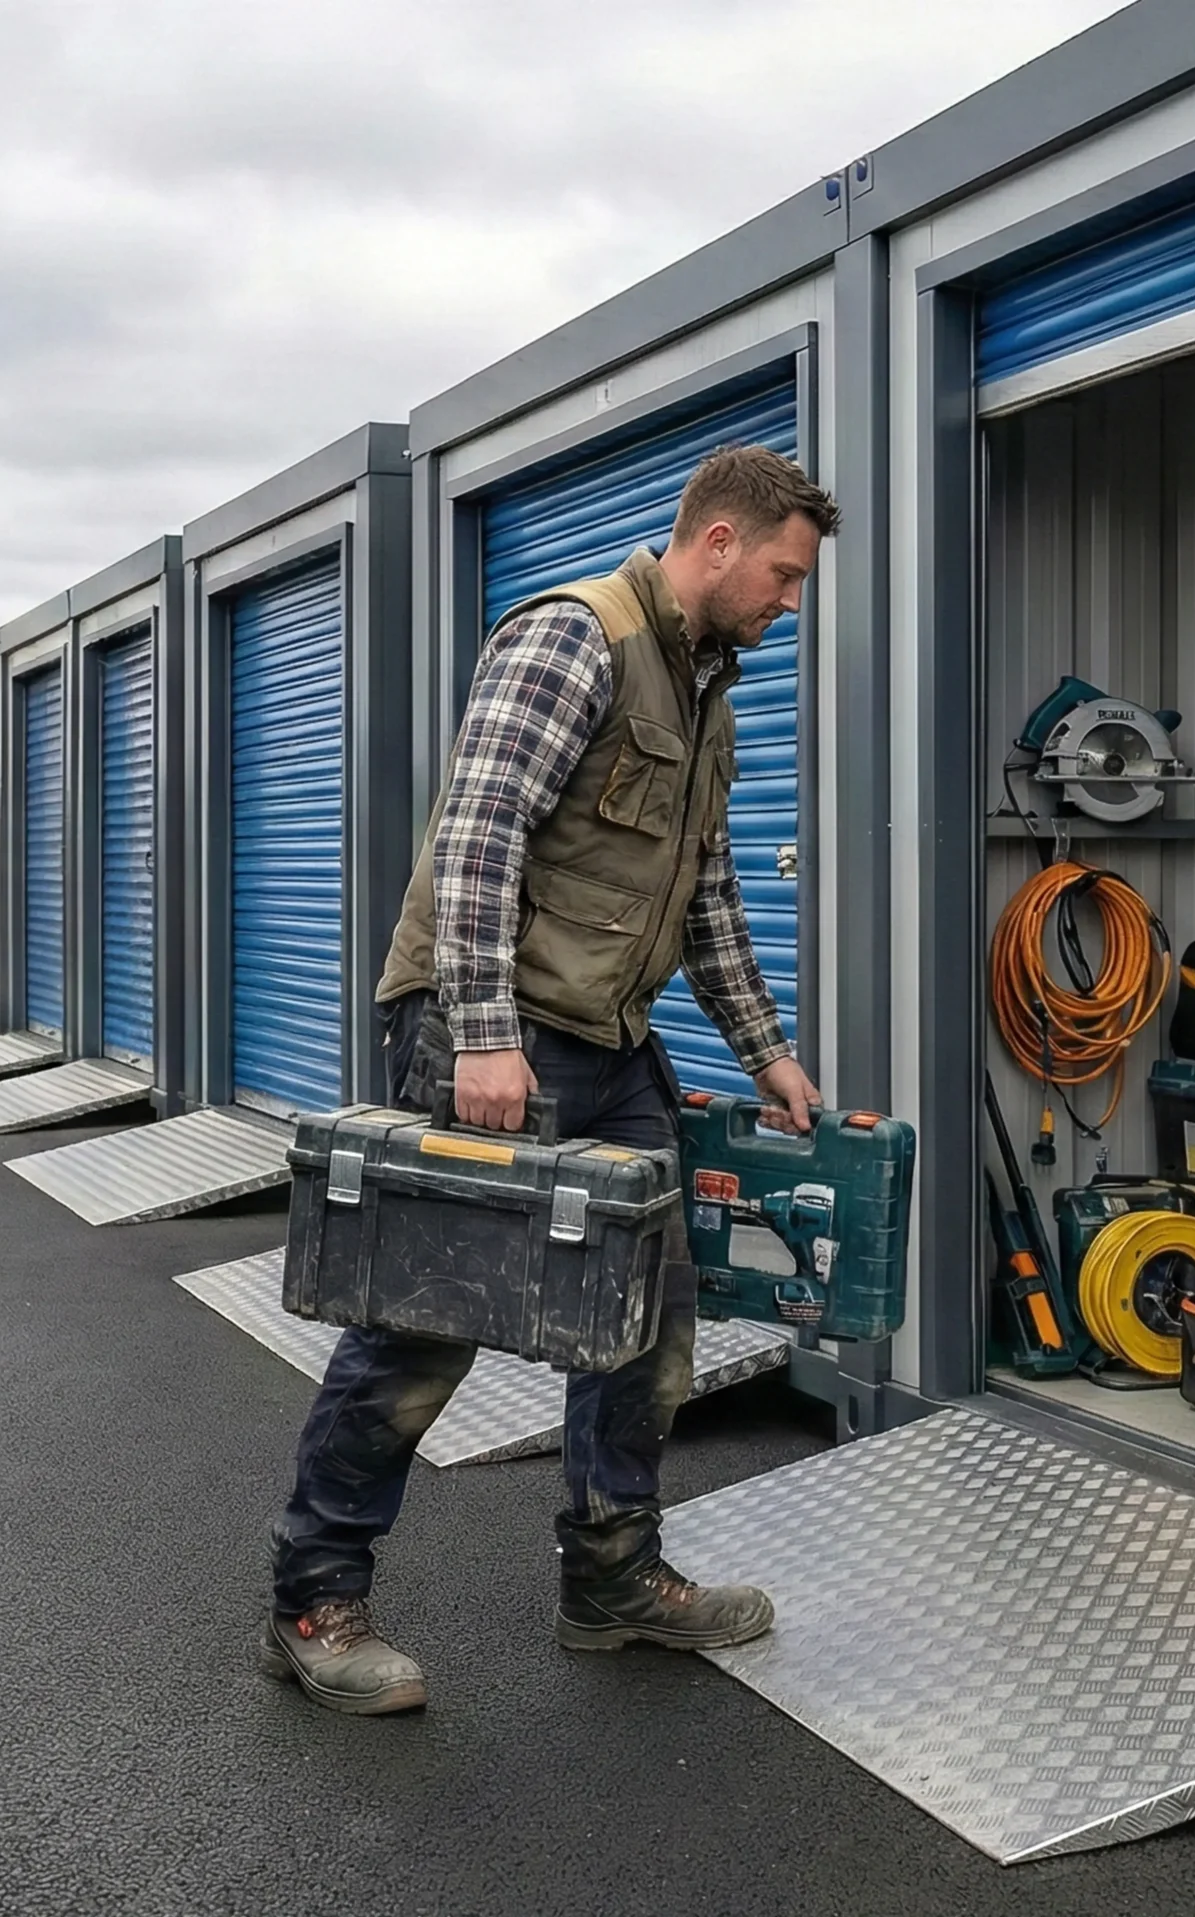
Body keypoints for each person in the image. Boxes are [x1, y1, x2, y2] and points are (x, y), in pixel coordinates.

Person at [259, 444, 838, 1715]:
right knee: (422, 1321)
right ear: (721, 541)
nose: (790, 603)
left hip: (609, 1039)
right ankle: (315, 1596)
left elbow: (711, 898)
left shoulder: (708, 691)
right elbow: (477, 838)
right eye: (785, 576)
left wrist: (769, 1053)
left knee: (652, 1315)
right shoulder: (574, 637)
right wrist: (480, 1033)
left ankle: (613, 1578)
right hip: (490, 1026)